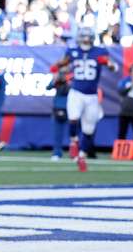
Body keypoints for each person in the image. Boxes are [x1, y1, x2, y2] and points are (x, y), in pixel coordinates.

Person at [51, 26, 119, 169]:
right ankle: (73, 141)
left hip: (92, 96)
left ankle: (81, 156)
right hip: (76, 92)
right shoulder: (72, 52)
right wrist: (57, 67)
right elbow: (60, 64)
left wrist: (109, 63)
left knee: (89, 129)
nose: (86, 40)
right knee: (73, 117)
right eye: (84, 36)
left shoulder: (100, 52)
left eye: (89, 37)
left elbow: (114, 67)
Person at [47, 63, 74, 161]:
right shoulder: (58, 78)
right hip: (58, 107)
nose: (64, 69)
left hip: (72, 107)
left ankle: (74, 153)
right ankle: (57, 153)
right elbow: (48, 87)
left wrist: (68, 81)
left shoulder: (73, 77)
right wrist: (55, 79)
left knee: (73, 133)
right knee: (57, 132)